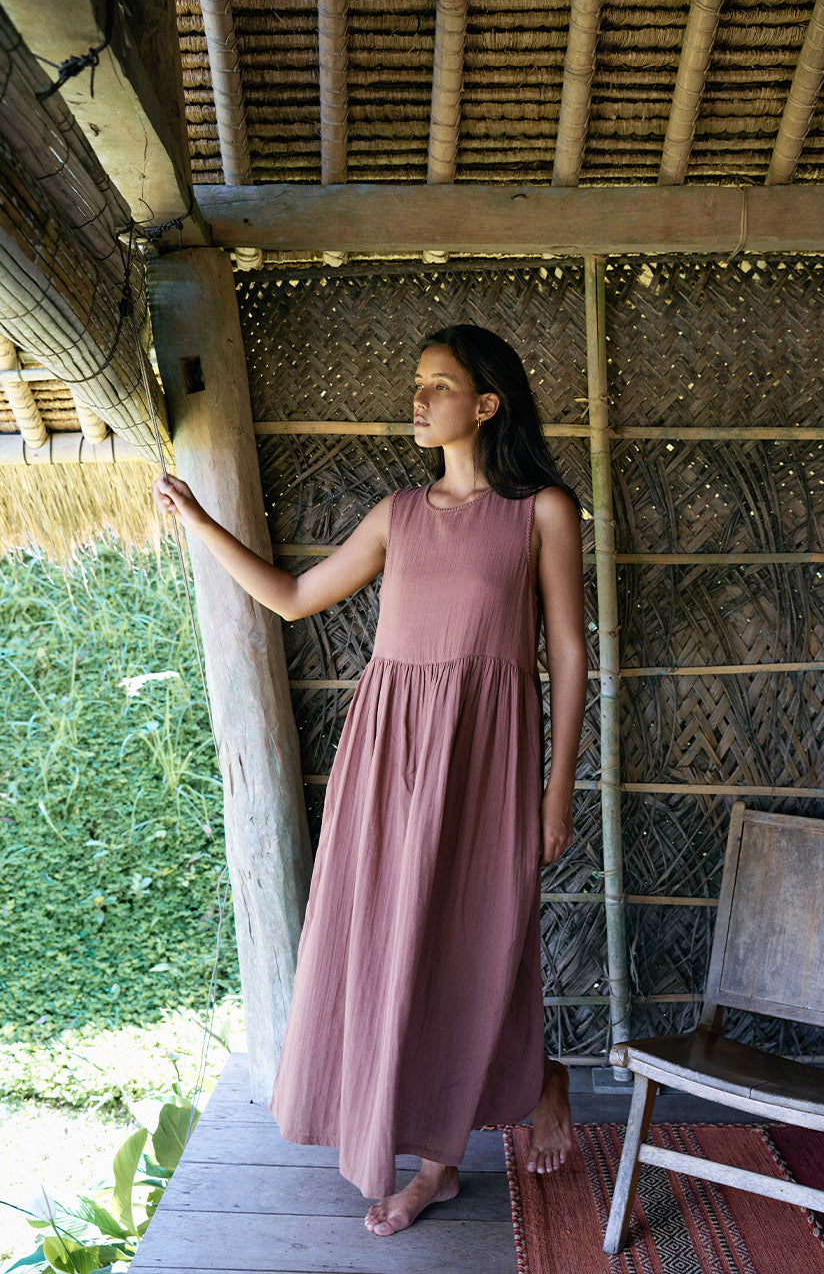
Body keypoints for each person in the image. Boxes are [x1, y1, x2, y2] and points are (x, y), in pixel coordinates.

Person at [153, 323, 587, 1238]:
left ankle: (485, 1117)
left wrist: (557, 793)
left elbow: (569, 656)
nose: (419, 399)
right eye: (416, 384)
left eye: (438, 385)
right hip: (386, 758)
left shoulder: (543, 510)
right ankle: (423, 1160)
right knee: (387, 941)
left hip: (485, 756)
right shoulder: (397, 513)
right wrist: (199, 523)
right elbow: (294, 596)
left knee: (479, 935)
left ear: (486, 403)